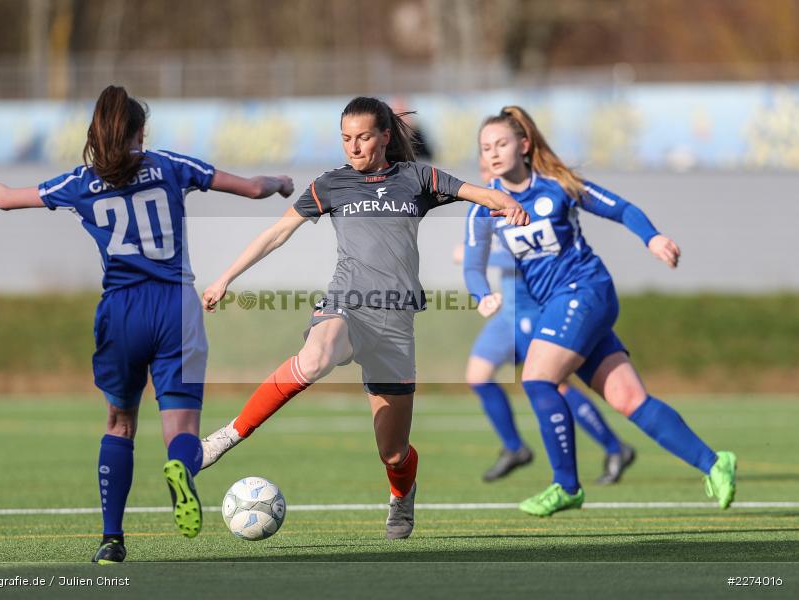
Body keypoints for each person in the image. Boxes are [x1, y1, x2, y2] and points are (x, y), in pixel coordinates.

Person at [0, 85, 294, 563]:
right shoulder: (171, 165)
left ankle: (112, 541)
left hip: (121, 311)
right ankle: (179, 467)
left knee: (120, 422)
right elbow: (254, 188)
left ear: (97, 133)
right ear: (140, 131)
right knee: (182, 432)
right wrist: (279, 181)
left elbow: (5, 199)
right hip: (175, 308)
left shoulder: (82, 182)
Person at [199, 96, 529, 539]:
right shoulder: (331, 184)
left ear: (385, 136)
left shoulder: (418, 178)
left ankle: (401, 497)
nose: (353, 147)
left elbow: (479, 192)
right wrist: (225, 278)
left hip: (395, 323)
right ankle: (228, 436)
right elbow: (277, 232)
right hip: (346, 303)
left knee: (393, 455)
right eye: (346, 139)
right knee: (315, 358)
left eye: (364, 137)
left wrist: (507, 204)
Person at [474, 106, 736, 517]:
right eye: (485, 147)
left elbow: (621, 208)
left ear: (524, 145)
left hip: (586, 290)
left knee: (538, 380)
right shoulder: (485, 206)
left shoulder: (557, 186)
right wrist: (480, 293)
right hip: (559, 307)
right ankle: (715, 463)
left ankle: (567, 486)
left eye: (501, 143)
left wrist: (652, 238)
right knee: (629, 398)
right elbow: (474, 261)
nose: (492, 153)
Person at [463, 158, 635, 484]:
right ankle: (514, 447)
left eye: (491, 170)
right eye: (484, 171)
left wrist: (487, 256)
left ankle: (614, 446)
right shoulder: (486, 207)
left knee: (553, 384)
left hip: (532, 310)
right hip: (505, 314)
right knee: (478, 375)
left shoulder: (524, 202)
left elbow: (535, 249)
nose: (489, 178)